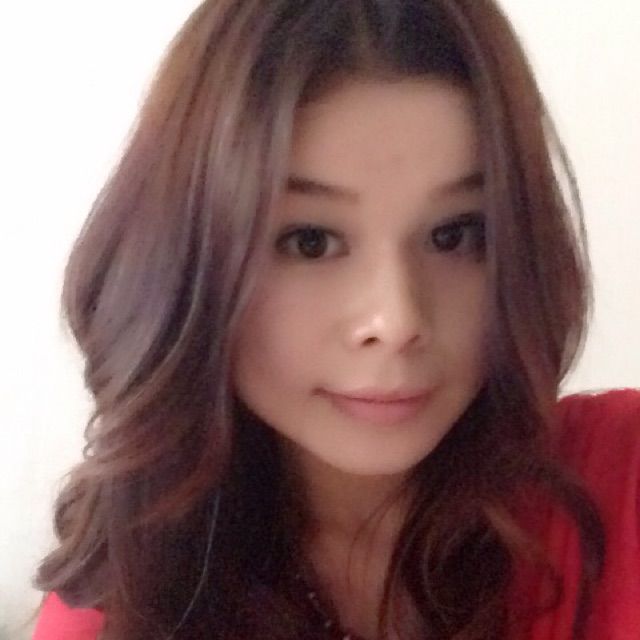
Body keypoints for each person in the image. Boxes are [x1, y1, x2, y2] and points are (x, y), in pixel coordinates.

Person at [32, 1, 639, 639]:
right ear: (186, 263)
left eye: (456, 233)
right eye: (310, 241)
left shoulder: (618, 484)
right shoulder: (126, 600)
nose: (396, 320)